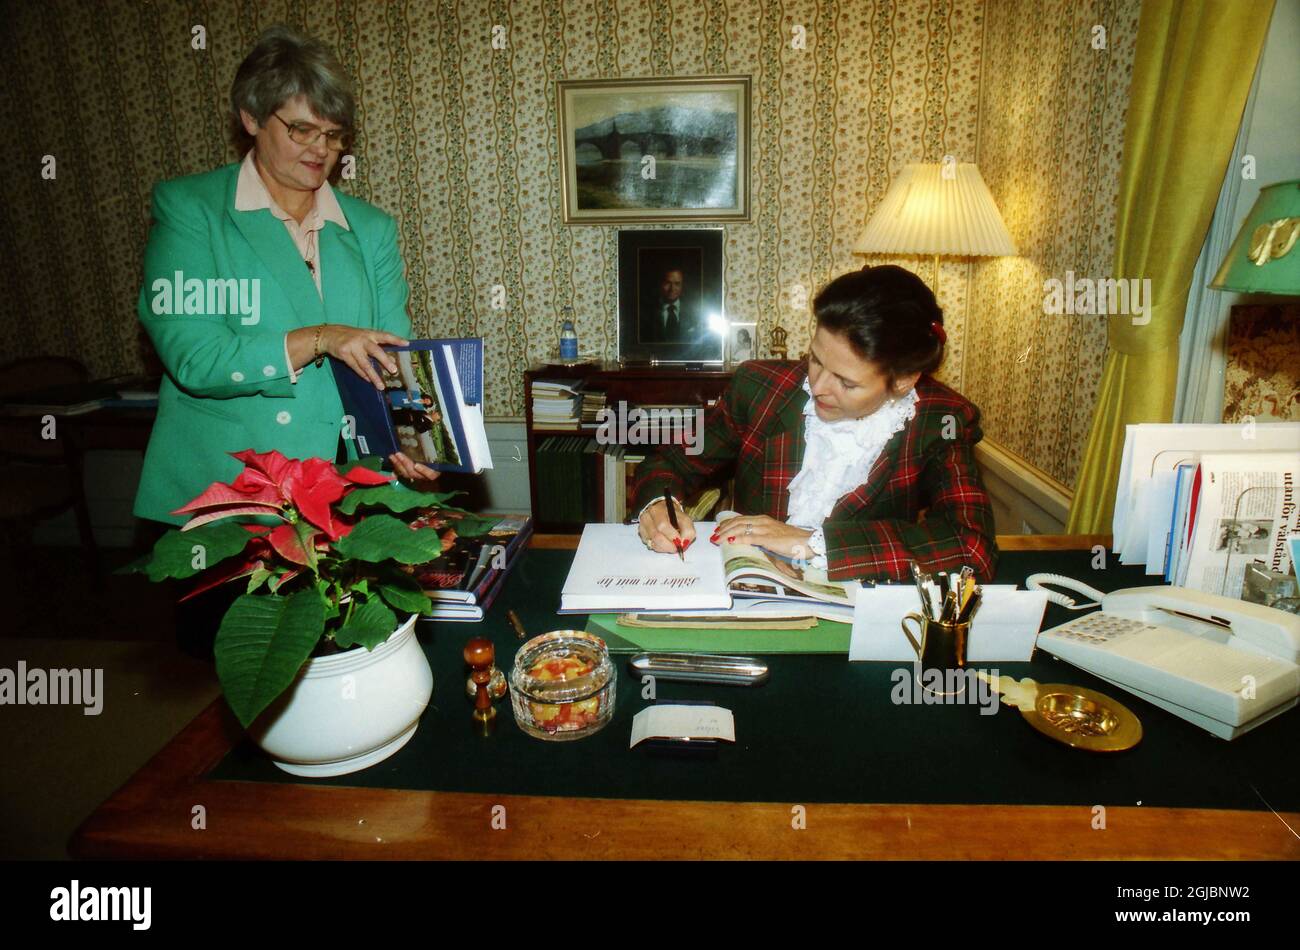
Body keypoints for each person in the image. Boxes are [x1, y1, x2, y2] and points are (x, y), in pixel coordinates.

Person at [133, 25, 436, 531]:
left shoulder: (371, 229)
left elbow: (386, 359)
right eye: (301, 130)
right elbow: (196, 359)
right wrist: (321, 338)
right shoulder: (192, 211)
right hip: (229, 496)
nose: (321, 149)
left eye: (334, 134)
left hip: (344, 492)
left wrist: (401, 438)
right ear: (251, 118)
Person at [632, 265, 998, 582]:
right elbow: (670, 462)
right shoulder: (760, 388)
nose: (818, 386)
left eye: (847, 382)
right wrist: (657, 508)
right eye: (816, 359)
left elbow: (970, 546)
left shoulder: (942, 420)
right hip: (745, 597)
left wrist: (810, 541)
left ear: (903, 381)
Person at [639, 265, 697, 343]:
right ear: (660, 284)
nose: (672, 289)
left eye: (677, 284)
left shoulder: (693, 312)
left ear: (682, 285)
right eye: (667, 283)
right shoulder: (646, 312)